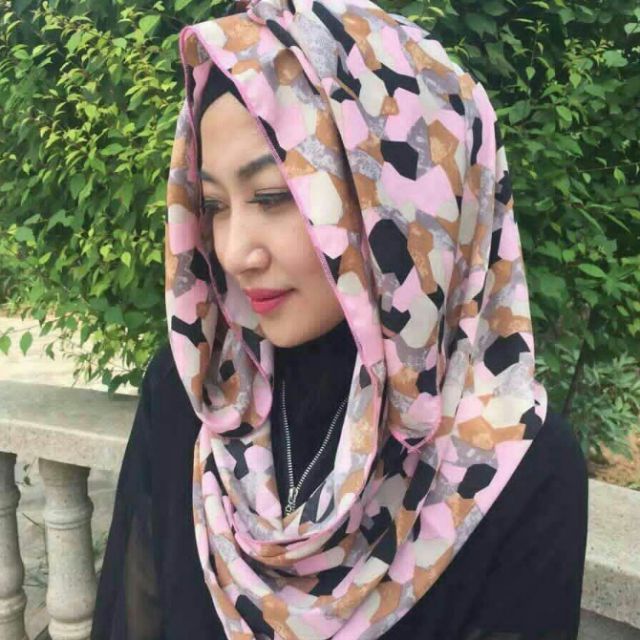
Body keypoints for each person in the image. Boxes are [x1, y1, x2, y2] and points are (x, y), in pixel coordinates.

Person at [91, 0, 588, 637]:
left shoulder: (516, 468)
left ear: (403, 205)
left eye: (273, 197)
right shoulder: (198, 397)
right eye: (213, 206)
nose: (235, 253)